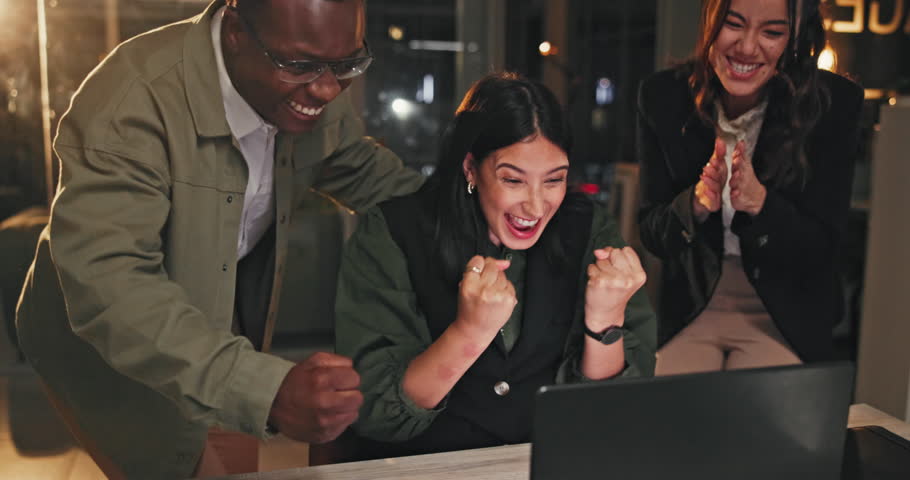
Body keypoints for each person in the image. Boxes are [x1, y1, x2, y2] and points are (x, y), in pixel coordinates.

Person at [14, 0, 423, 478]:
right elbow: (114, 290)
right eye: (299, 64)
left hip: (218, 329)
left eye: (346, 63)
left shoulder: (311, 87)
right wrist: (263, 389)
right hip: (111, 343)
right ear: (234, 31)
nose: (329, 88)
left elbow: (379, 183)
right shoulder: (130, 102)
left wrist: (490, 203)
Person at [334, 72, 656, 460]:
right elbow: (375, 415)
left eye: (554, 181)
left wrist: (606, 322)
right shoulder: (391, 232)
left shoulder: (590, 230)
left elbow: (606, 419)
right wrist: (469, 332)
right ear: (470, 168)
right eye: (513, 180)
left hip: (541, 464)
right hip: (422, 467)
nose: (536, 207)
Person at [636, 0, 863, 375]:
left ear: (793, 38)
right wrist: (694, 204)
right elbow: (653, 232)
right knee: (669, 421)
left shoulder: (833, 104)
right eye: (733, 24)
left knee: (756, 418)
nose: (746, 47)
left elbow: (823, 249)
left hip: (784, 313)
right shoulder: (663, 97)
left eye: (772, 32)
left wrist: (760, 204)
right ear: (710, 21)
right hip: (696, 306)